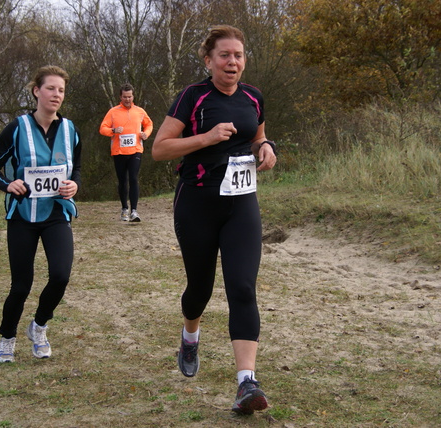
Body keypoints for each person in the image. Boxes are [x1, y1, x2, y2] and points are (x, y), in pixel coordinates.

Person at [151, 25, 277, 415]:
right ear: (209, 60)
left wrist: (266, 147)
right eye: (225, 55)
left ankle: (246, 383)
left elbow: (256, 135)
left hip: (241, 204)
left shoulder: (253, 96)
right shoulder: (193, 96)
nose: (232, 62)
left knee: (242, 286)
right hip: (198, 204)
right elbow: (159, 148)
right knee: (200, 289)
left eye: (238, 55)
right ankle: (190, 336)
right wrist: (205, 138)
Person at [0, 65, 82, 363]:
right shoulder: (17, 128)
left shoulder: (70, 129)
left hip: (56, 213)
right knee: (21, 284)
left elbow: (76, 168)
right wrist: (8, 184)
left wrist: (74, 185)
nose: (56, 94)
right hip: (23, 217)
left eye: (61, 90)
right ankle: (7, 338)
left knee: (61, 275)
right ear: (36, 91)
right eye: (51, 88)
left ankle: (39, 326)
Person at [99, 83, 153, 222]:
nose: (127, 99)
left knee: (134, 178)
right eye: (124, 97)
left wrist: (145, 134)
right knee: (123, 180)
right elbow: (102, 128)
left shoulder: (140, 111)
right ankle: (124, 208)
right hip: (119, 151)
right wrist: (113, 131)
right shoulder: (113, 111)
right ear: (120, 97)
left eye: (129, 97)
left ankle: (134, 211)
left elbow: (149, 124)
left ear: (133, 96)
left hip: (135, 150)